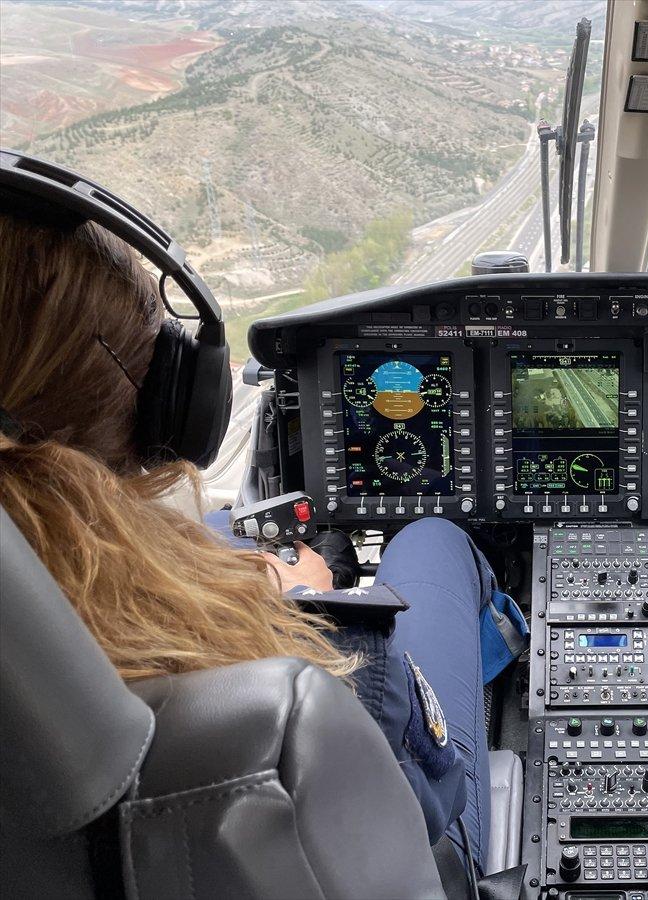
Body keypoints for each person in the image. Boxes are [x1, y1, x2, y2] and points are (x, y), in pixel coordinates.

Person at [0, 200, 521, 872]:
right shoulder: (308, 695)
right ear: (174, 405)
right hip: (410, 850)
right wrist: (311, 616)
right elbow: (431, 796)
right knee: (430, 540)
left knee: (225, 532)